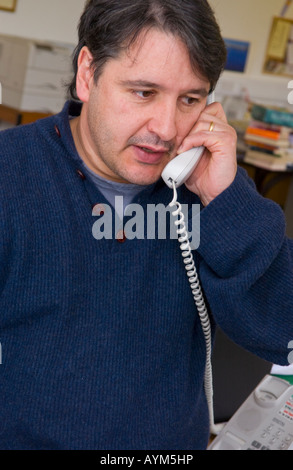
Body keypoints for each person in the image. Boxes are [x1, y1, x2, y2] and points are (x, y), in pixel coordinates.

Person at [0, 0, 292, 451]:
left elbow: (284, 333)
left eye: (190, 99)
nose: (166, 127)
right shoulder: (11, 176)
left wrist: (224, 200)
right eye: (143, 92)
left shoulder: (208, 189)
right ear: (87, 74)